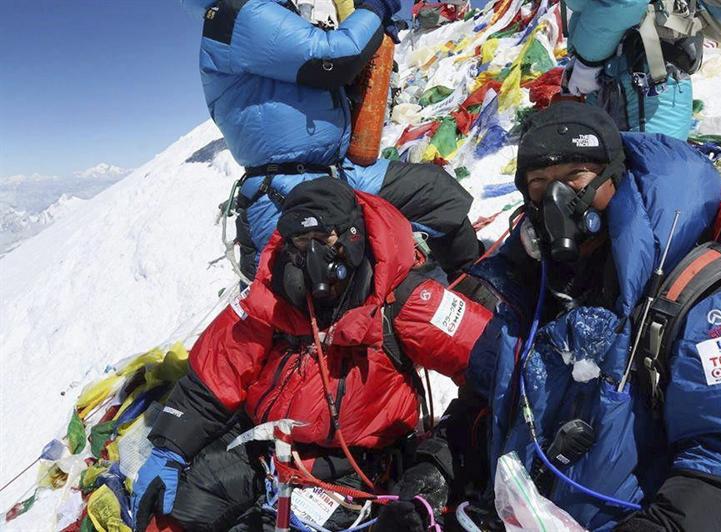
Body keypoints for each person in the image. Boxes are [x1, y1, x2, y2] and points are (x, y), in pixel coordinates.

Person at [464, 101, 721, 530]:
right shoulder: (534, 289)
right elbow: (485, 397)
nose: (557, 199)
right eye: (540, 183)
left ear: (614, 178)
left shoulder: (694, 293)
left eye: (575, 177)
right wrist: (437, 462)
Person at [131, 178, 493, 531]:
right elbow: (216, 373)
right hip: (260, 447)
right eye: (300, 242)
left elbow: (495, 366)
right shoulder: (271, 296)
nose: (310, 256)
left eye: (323, 239)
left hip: (348, 469)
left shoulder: (405, 301)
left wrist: (440, 459)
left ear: (353, 237)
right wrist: (170, 447)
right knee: (167, 517)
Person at [180, 0, 482, 281]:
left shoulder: (268, 12)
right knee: (332, 292)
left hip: (337, 171)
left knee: (432, 192)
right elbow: (331, 58)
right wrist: (374, 10)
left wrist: (372, 44)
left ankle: (475, 283)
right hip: (291, 189)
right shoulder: (238, 13)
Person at [560, 0, 721, 140]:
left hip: (641, 75)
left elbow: (625, 3)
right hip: (640, 71)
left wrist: (588, 59)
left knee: (649, 181)